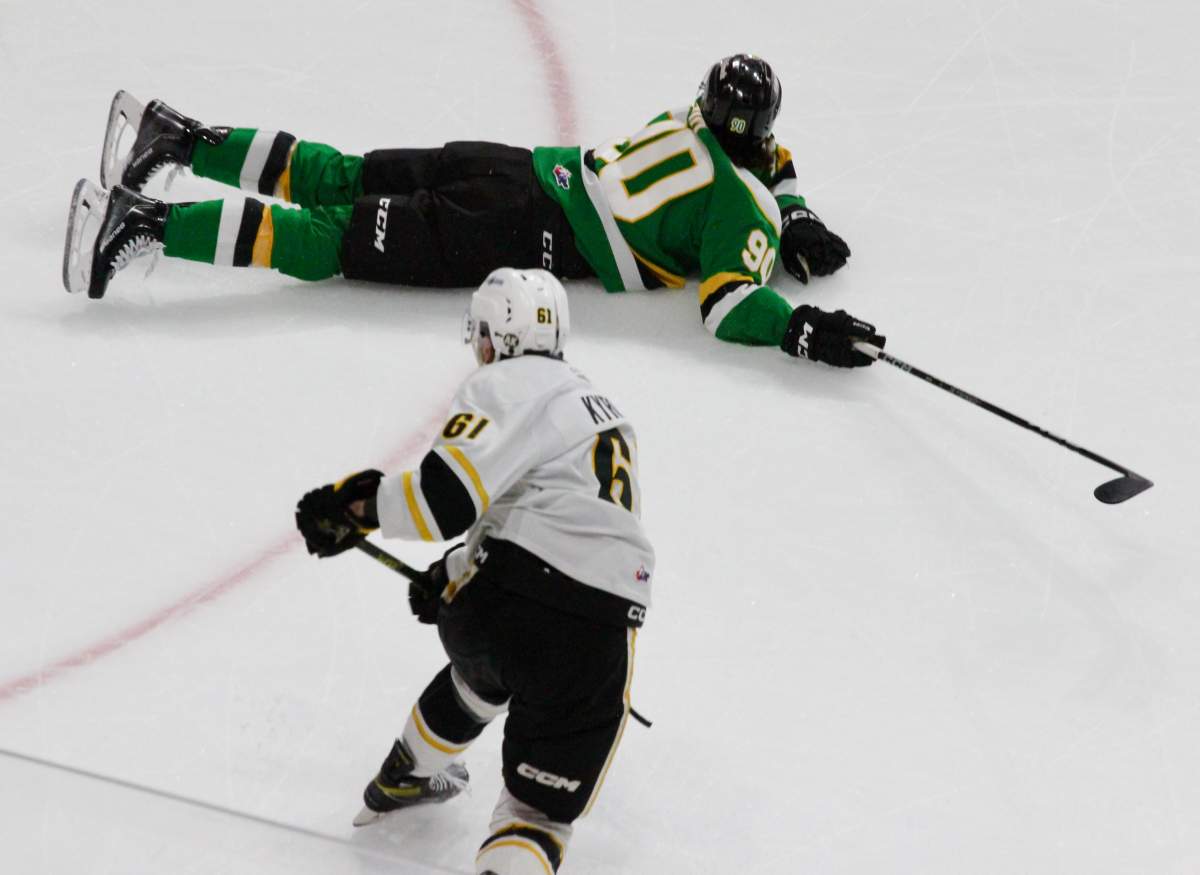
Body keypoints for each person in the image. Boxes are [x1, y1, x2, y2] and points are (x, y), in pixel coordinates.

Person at [62, 53, 885, 367]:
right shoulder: (742, 206)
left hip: (514, 166)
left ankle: (175, 136)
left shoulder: (689, 117)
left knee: (336, 175)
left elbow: (765, 164)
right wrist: (798, 328)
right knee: (333, 240)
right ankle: (141, 224)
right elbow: (726, 301)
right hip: (520, 232)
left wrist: (796, 205)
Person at [293, 267, 652, 875]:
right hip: (596, 624)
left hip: (499, 605)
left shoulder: (507, 384)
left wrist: (355, 505)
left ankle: (405, 772)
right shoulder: (604, 411)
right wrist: (456, 568)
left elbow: (444, 501)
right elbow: (561, 521)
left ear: (496, 336)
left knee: (486, 665)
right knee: (534, 817)